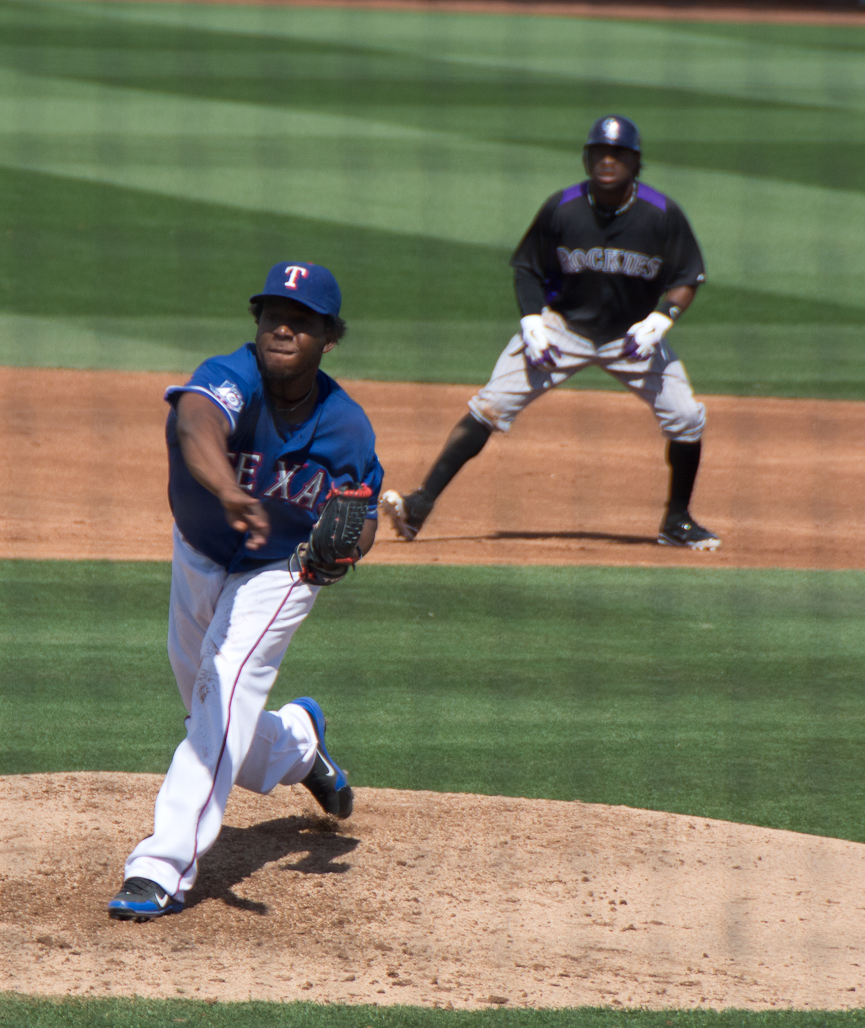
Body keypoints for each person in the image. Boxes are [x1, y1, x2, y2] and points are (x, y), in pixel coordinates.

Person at [108, 261, 383, 923]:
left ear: (329, 337)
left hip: (283, 570)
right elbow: (195, 423)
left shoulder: (345, 425)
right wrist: (231, 491)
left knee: (223, 684)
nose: (283, 327)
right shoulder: (230, 376)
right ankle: (296, 742)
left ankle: (161, 867)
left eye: (303, 320)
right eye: (272, 315)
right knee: (207, 701)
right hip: (199, 554)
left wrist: (347, 544)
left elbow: (363, 515)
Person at [380, 115, 719, 551]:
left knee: (687, 417)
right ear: (585, 157)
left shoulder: (661, 214)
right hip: (562, 329)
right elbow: (527, 267)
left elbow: (688, 275)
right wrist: (532, 321)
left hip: (632, 338)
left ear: (636, 163)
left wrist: (662, 319)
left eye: (618, 154)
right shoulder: (563, 208)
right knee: (490, 406)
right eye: (599, 152)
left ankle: (677, 522)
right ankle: (418, 507)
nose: (607, 160)